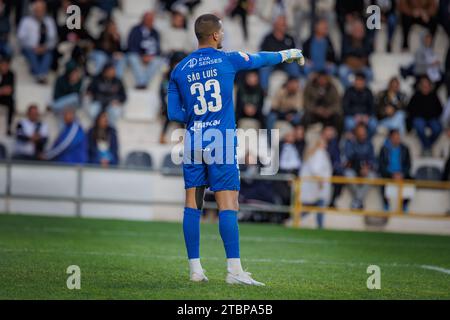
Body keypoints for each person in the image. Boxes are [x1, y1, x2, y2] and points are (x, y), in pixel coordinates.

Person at [167, 13, 304, 285]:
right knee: (228, 204)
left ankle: (195, 270)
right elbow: (260, 58)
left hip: (193, 141)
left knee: (191, 205)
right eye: (222, 32)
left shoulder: (179, 69)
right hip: (221, 140)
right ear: (216, 35)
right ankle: (234, 272)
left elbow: (173, 112)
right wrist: (289, 54)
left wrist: (196, 117)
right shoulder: (226, 59)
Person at [17, 0, 57, 84]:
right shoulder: (26, 21)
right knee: (31, 54)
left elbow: (53, 39)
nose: (39, 12)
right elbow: (21, 39)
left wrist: (45, 47)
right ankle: (40, 75)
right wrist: (34, 47)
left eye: (41, 10)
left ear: (45, 10)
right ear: (33, 10)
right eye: (37, 10)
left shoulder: (49, 21)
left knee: (48, 55)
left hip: (45, 48)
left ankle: (40, 74)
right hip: (30, 48)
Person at [258, 15, 301, 92]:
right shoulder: (268, 38)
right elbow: (263, 54)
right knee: (264, 68)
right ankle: (263, 92)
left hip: (286, 62)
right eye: (282, 24)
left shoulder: (289, 38)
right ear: (275, 25)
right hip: (272, 63)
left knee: (294, 66)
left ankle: (294, 90)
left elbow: (295, 53)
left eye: (285, 24)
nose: (284, 26)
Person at [300, 138, 332, 229]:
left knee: (313, 206)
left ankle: (295, 219)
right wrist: (320, 181)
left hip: (314, 187)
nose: (326, 145)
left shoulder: (313, 154)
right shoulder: (319, 153)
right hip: (317, 186)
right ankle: (320, 226)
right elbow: (316, 170)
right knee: (318, 205)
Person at [127, 11, 164, 90]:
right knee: (132, 57)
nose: (149, 21)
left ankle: (141, 83)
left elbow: (158, 48)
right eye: (147, 19)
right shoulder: (135, 30)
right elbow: (130, 45)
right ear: (143, 19)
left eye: (151, 19)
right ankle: (143, 83)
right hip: (138, 54)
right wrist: (141, 56)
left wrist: (151, 56)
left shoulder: (155, 32)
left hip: (151, 56)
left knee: (158, 60)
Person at [343, 123, 377, 209]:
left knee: (372, 176)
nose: (362, 135)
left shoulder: (369, 144)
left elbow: (372, 160)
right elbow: (348, 158)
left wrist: (367, 167)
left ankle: (357, 200)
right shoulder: (350, 142)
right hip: (353, 169)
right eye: (360, 133)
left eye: (364, 133)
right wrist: (352, 143)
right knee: (347, 174)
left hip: (365, 169)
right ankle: (359, 200)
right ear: (356, 133)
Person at [407, 76, 443, 155]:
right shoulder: (416, 95)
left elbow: (440, 109)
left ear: (430, 86)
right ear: (420, 86)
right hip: (419, 119)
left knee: (438, 128)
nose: (425, 86)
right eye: (423, 85)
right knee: (419, 126)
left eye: (427, 85)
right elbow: (410, 109)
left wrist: (434, 115)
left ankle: (426, 146)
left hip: (432, 119)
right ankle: (428, 147)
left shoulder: (434, 95)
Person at [378, 129, 412, 212]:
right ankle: (386, 204)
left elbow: (408, 165)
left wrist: (402, 174)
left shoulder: (405, 149)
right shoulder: (384, 149)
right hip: (388, 174)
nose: (397, 139)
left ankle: (404, 204)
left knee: (412, 180)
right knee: (382, 180)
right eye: (395, 137)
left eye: (398, 137)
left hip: (401, 174)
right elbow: (381, 165)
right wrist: (392, 175)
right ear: (390, 138)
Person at [338, 19, 373, 88]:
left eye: (360, 30)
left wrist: (355, 55)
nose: (358, 31)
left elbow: (367, 53)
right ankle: (350, 89)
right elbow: (346, 52)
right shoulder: (346, 39)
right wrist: (357, 55)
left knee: (370, 73)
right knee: (342, 71)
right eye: (356, 30)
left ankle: (362, 89)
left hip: (361, 66)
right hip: (348, 65)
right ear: (352, 31)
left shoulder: (366, 40)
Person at [342, 72, 377, 138]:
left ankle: (366, 139)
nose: (359, 82)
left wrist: (367, 116)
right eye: (357, 80)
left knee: (373, 124)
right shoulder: (349, 91)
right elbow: (345, 107)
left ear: (364, 82)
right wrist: (355, 115)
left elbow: (372, 107)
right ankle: (352, 140)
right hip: (353, 116)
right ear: (354, 81)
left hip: (366, 116)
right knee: (349, 123)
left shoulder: (368, 92)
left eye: (361, 80)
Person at [0, 55, 14, 135]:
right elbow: (6, 89)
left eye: (6, 65)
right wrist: (3, 90)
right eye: (3, 65)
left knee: (11, 103)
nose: (5, 67)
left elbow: (10, 90)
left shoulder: (11, 74)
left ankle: (9, 126)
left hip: (5, 98)